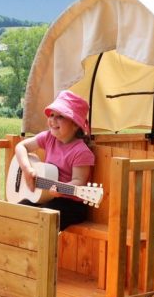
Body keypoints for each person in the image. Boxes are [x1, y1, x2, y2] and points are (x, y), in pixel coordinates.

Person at [14, 90, 95, 231]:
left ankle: (41, 252)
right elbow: (21, 146)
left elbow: (79, 181)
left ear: (75, 124)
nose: (52, 120)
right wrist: (27, 170)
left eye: (60, 116)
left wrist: (62, 190)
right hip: (48, 197)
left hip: (71, 205)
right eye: (52, 115)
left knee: (42, 219)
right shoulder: (48, 138)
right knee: (18, 211)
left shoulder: (81, 152)